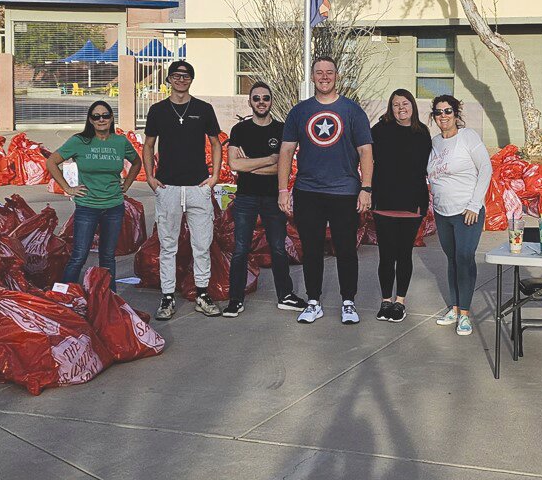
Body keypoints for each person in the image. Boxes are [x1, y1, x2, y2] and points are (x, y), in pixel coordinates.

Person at [278, 56, 373, 324]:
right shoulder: (299, 111)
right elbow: (286, 150)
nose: (324, 76)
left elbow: (365, 151)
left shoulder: (353, 111)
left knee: (346, 249)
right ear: (312, 76)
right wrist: (283, 190)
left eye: (329, 72)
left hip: (345, 192)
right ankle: (313, 301)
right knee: (311, 249)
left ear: (337, 76)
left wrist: (366, 188)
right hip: (308, 191)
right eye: (319, 72)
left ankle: (348, 302)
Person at [143, 59, 223, 320]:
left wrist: (213, 177)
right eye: (176, 75)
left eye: (186, 75)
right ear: (168, 79)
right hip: (168, 187)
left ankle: (202, 293)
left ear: (191, 79)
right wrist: (150, 178)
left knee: (202, 244)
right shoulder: (157, 111)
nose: (181, 79)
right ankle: (167, 297)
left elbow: (216, 143)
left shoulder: (203, 109)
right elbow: (148, 145)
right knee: (168, 245)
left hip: (198, 186)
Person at [223, 81, 308, 317]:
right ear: (250, 101)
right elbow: (233, 164)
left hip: (273, 198)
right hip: (245, 198)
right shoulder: (239, 130)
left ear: (271, 101)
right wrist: (269, 159)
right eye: (257, 98)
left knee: (278, 248)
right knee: (240, 249)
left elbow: (284, 167)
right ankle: (235, 299)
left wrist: (250, 164)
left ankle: (285, 295)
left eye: (266, 98)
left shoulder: (282, 130)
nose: (261, 102)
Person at [46, 100, 142, 288]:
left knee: (108, 257)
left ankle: (109, 299)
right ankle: (64, 297)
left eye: (105, 115)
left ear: (112, 118)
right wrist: (68, 188)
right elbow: (51, 162)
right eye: (96, 116)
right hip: (87, 207)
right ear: (90, 120)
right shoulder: (79, 141)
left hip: (114, 206)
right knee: (79, 255)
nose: (101, 120)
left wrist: (127, 184)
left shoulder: (120, 142)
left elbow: (136, 162)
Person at [426, 94, 492, 336]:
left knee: (464, 257)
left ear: (456, 113)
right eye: (439, 112)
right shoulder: (434, 143)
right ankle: (453, 307)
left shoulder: (468, 137)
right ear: (434, 116)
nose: (443, 116)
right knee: (452, 259)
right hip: (443, 212)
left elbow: (486, 168)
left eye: (448, 111)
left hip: (467, 211)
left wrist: (475, 204)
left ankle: (464, 314)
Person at [370, 88, 432, 323]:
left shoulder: (421, 132)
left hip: (411, 204)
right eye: (396, 104)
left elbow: (429, 167)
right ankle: (385, 301)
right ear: (390, 107)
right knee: (385, 255)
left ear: (413, 106)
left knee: (404, 254)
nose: (401, 108)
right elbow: (364, 156)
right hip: (384, 202)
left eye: (405, 103)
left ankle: (400, 302)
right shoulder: (380, 130)